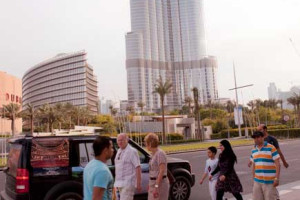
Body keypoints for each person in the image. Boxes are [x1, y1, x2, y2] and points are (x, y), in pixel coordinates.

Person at [251, 131, 280, 200]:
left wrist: (276, 178)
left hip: (269, 181)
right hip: (257, 181)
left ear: (263, 137)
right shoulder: (253, 150)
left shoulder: (271, 148)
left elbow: (278, 163)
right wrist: (254, 178)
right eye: (254, 138)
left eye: (258, 137)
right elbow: (254, 165)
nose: (256, 139)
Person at [114, 133, 142, 200]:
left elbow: (138, 167)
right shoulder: (119, 151)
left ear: (127, 140)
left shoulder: (132, 151)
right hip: (119, 183)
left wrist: (138, 183)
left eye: (122, 140)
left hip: (128, 183)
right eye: (118, 140)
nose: (120, 142)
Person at [144, 133, 169, 200]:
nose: (145, 145)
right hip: (153, 184)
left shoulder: (160, 154)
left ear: (150, 143)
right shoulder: (153, 154)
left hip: (160, 184)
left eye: (146, 143)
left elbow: (162, 171)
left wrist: (156, 186)